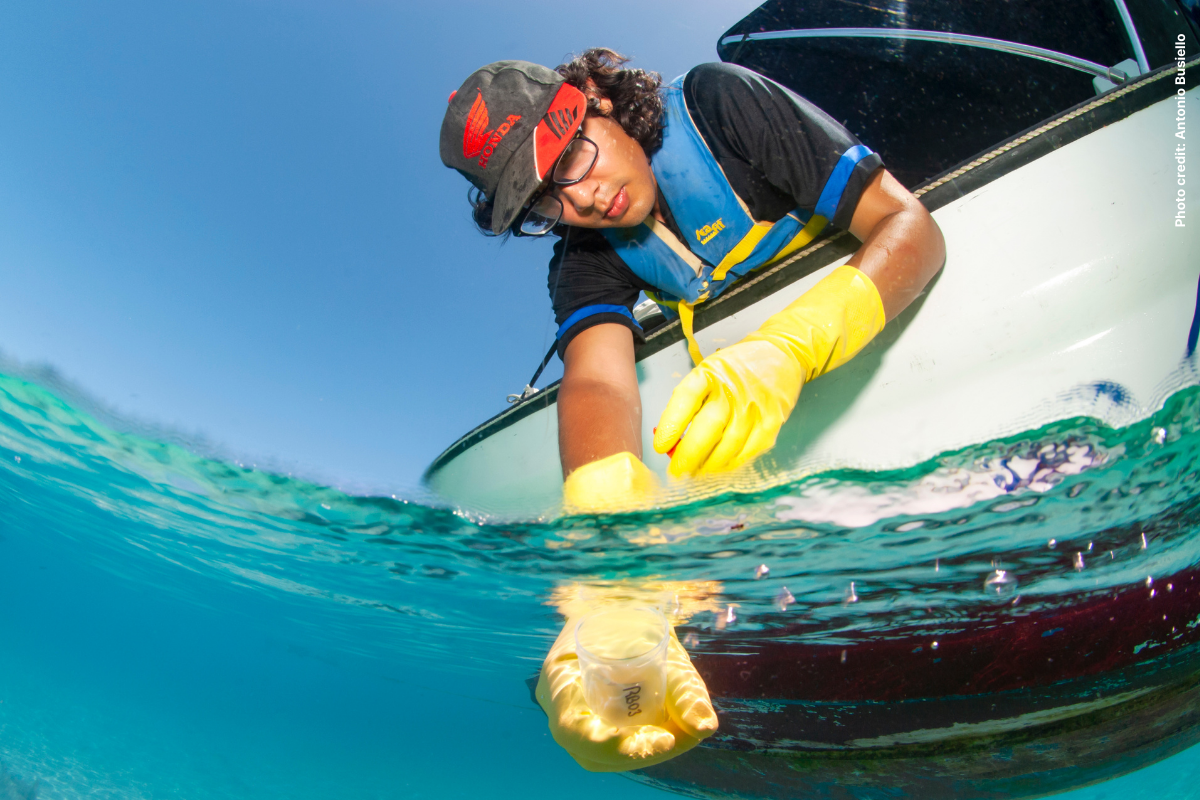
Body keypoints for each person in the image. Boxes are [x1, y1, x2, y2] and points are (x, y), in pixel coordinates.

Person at [439, 49, 945, 771]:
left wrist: (789, 350)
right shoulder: (584, 256)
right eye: (546, 200)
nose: (581, 202)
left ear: (594, 99)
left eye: (573, 154)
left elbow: (911, 226)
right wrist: (609, 587)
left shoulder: (718, 107)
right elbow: (599, 383)